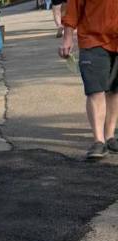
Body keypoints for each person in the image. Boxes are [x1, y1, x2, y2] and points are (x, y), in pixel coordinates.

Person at [60, 0, 118, 160]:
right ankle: (98, 140)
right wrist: (67, 38)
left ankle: (110, 136)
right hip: (93, 40)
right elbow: (73, 8)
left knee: (114, 91)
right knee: (95, 90)